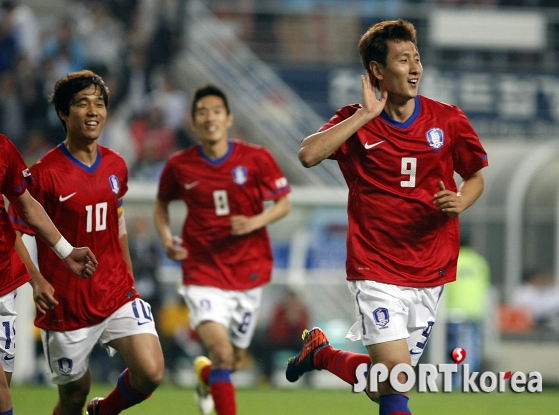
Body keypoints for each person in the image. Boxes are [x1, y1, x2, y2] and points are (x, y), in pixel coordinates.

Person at [285, 19, 488, 415]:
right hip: (375, 267)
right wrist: (365, 114)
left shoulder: (448, 120)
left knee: (385, 384)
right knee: (396, 380)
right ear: (377, 70)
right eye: (403, 60)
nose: (415, 68)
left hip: (431, 268)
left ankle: (322, 354)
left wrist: (462, 200)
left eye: (416, 58)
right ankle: (325, 355)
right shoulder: (355, 121)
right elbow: (308, 155)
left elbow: (476, 177)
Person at [10, 69, 164, 415]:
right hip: (67, 305)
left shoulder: (116, 164)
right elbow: (12, 232)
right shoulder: (44, 174)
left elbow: (118, 224)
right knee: (73, 398)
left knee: (151, 372)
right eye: (82, 103)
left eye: (99, 103)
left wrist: (128, 274)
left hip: (115, 291)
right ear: (64, 113)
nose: (93, 110)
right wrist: (36, 281)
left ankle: (104, 411)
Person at [153, 84, 291, 415]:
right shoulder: (179, 165)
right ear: (193, 122)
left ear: (228, 118)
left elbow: (283, 203)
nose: (209, 117)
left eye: (216, 111)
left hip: (247, 270)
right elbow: (161, 205)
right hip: (202, 270)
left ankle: (206, 377)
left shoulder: (256, 158)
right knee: (221, 351)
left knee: (234, 360)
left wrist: (256, 221)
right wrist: (166, 238)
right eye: (202, 112)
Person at [0, 133, 97, 415]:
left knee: (3, 386)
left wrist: (66, 251)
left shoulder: (4, 148)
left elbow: (26, 206)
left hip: (3, 284)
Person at [445, 233, 491, 387]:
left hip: (454, 312)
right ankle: (468, 381)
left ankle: (456, 384)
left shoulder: (451, 260)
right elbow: (484, 286)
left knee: (456, 349)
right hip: (476, 311)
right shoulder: (479, 262)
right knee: (472, 348)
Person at [250, 289, 310, 384]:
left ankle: (308, 381)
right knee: (267, 348)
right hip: (280, 341)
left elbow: (304, 333)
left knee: (311, 350)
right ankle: (267, 378)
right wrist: (287, 321)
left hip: (296, 342)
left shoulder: (302, 312)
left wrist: (297, 322)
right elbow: (275, 333)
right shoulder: (279, 311)